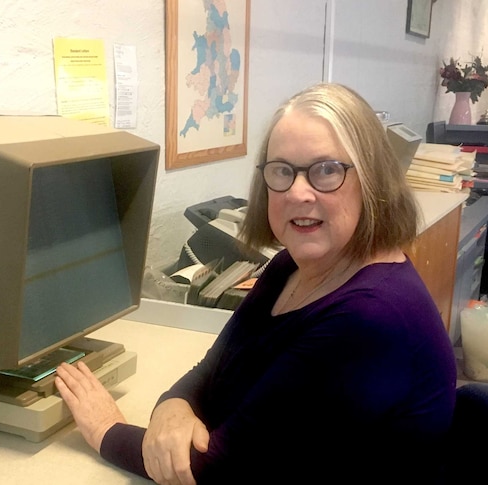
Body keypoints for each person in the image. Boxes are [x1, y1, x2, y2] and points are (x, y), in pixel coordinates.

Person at [55, 83, 457, 484]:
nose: (299, 191)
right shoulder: (290, 266)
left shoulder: (371, 317)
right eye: (282, 170)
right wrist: (172, 407)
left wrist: (105, 429)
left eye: (326, 170)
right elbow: (213, 369)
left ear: (372, 181)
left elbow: (219, 470)